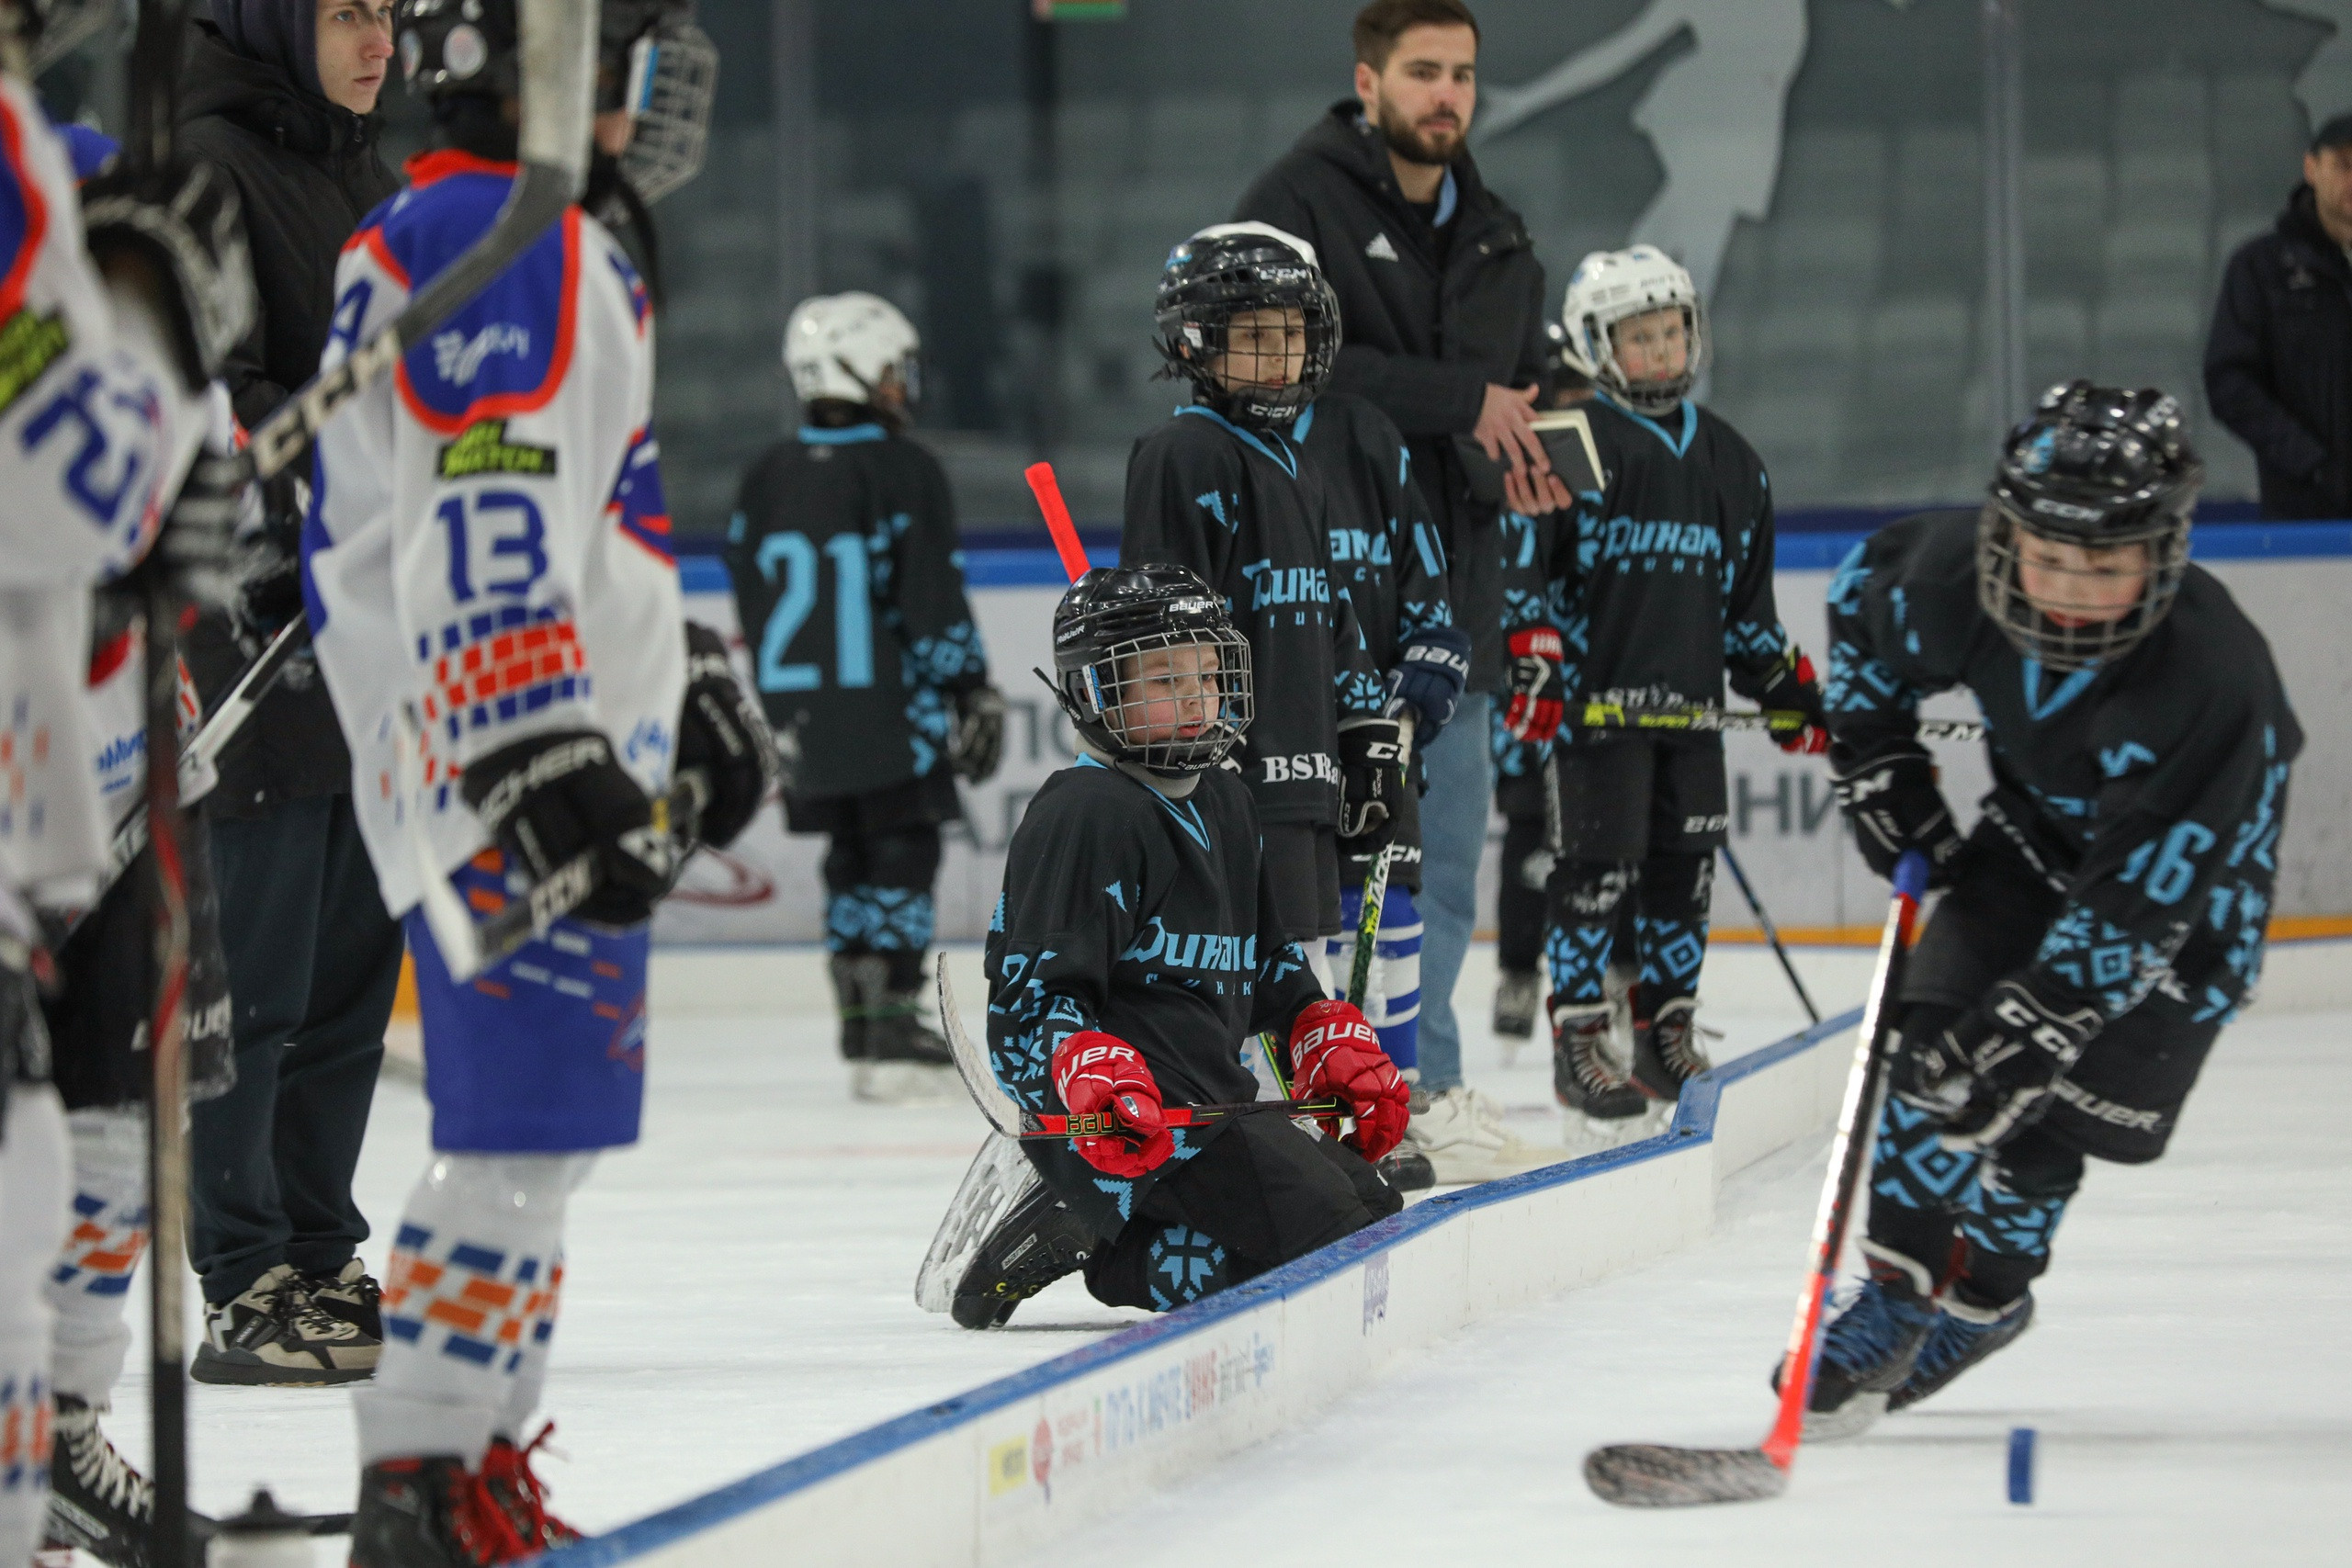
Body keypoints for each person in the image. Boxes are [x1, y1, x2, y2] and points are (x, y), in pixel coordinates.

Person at [301, 3, 763, 1562]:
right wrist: (536, 744)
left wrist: (682, 667)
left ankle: (470, 1463)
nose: (654, 95)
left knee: (541, 1140)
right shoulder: (496, 232)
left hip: (531, 739)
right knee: (507, 1141)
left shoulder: (522, 227)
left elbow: (571, 508)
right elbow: (479, 507)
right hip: (496, 758)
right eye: (621, 58)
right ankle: (420, 1490)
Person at [1796, 381, 2300, 1435]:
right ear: (2002, 532)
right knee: (1937, 1049)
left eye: (2106, 566)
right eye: (2048, 555)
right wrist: (1876, 758)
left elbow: (2139, 904)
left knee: (2039, 1118)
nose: (2069, 592)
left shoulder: (2215, 681)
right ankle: (1894, 1294)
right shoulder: (1945, 582)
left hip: (2188, 913)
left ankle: (1982, 1303)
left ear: (2159, 554)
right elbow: (1856, 603)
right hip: (2033, 843)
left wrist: (2035, 1027)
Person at [0, 2, 255, 1562]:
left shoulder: (69, 171)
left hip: (103, 758)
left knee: (104, 1123)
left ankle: (61, 1427)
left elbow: (172, 468)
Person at [1236, 0, 1567, 1162]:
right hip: (1320, 594)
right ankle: (1320, 1093)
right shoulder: (1292, 205)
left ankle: (1422, 1091)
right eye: (1422, 72)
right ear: (1366, 82)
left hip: (1457, 598)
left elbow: (1521, 387)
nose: (1447, 95)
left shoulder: (1498, 235)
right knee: (1319, 876)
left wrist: (1531, 450)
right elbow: (1279, 366)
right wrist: (1461, 405)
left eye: (1463, 75)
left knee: (1444, 869)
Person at [949, 566, 1408, 1327]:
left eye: (1205, 671)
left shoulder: (1225, 797)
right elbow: (1030, 1007)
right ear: (1096, 691)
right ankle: (1111, 1247)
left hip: (1214, 1104)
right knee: (1336, 1246)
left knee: (1375, 1207)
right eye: (1165, 677)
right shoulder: (1085, 815)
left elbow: (1261, 956)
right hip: (1133, 1127)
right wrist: (1086, 1070)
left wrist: (1314, 1026)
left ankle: (1099, 1225)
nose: (1197, 695)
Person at [176, 0, 407, 1387]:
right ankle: (243, 1267)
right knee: (253, 977)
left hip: (370, 630)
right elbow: (212, 389)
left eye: (387, 8)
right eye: (344, 10)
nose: (378, 37)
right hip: (250, 622)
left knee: (342, 977)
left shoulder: (364, 172)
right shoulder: (204, 164)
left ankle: (317, 1243)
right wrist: (343, 471)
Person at [1501, 246, 1826, 1138]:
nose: (1660, 349)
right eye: (1639, 336)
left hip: (1689, 718)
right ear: (1601, 347)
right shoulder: (1567, 444)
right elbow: (1524, 574)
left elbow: (1745, 613)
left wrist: (1788, 690)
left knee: (1684, 877)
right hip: (1598, 721)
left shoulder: (1733, 461)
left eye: (1671, 330)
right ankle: (1579, 1040)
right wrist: (1532, 658)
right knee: (1593, 877)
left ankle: (1664, 1031)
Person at [726, 291, 1005, 1104]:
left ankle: (862, 1021)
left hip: (801, 710)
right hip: (888, 703)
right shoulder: (902, 468)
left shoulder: (766, 472)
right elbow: (929, 594)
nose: (899, 386)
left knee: (849, 852)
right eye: (889, 369)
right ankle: (891, 1022)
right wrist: (968, 685)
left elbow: (748, 589)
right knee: (902, 847)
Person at [1120, 222, 1396, 970]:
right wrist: (1201, 742)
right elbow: (1163, 620)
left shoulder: (1297, 462)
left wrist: (1362, 722)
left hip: (1305, 777)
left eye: (1292, 334)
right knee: (1242, 974)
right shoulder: (1186, 453)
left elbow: (1329, 607)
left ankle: (1296, 1085)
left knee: (1302, 969)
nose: (1279, 357)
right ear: (1192, 342)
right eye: (1253, 336)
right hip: (1232, 779)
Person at [1296, 396, 1545, 1184]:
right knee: (1303, 919)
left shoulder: (1369, 432)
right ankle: (1308, 1106)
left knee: (1398, 905)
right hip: (1283, 727)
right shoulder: (1205, 451)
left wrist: (1429, 657)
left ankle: (1396, 1104)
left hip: (1377, 723)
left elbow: (1421, 574)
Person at [2205, 110, 2352, 522]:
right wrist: (2310, 464)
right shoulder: (2262, 268)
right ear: (2311, 167)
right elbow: (2230, 382)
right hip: (2304, 523)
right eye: (2344, 165)